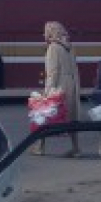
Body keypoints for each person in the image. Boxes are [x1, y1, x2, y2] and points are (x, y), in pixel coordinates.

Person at [31, 20, 82, 157]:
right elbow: (75, 69)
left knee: (44, 114)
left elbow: (52, 72)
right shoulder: (70, 47)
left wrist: (47, 91)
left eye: (45, 32)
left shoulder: (53, 48)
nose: (44, 34)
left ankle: (39, 147)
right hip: (71, 84)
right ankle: (75, 147)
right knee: (71, 117)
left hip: (59, 85)